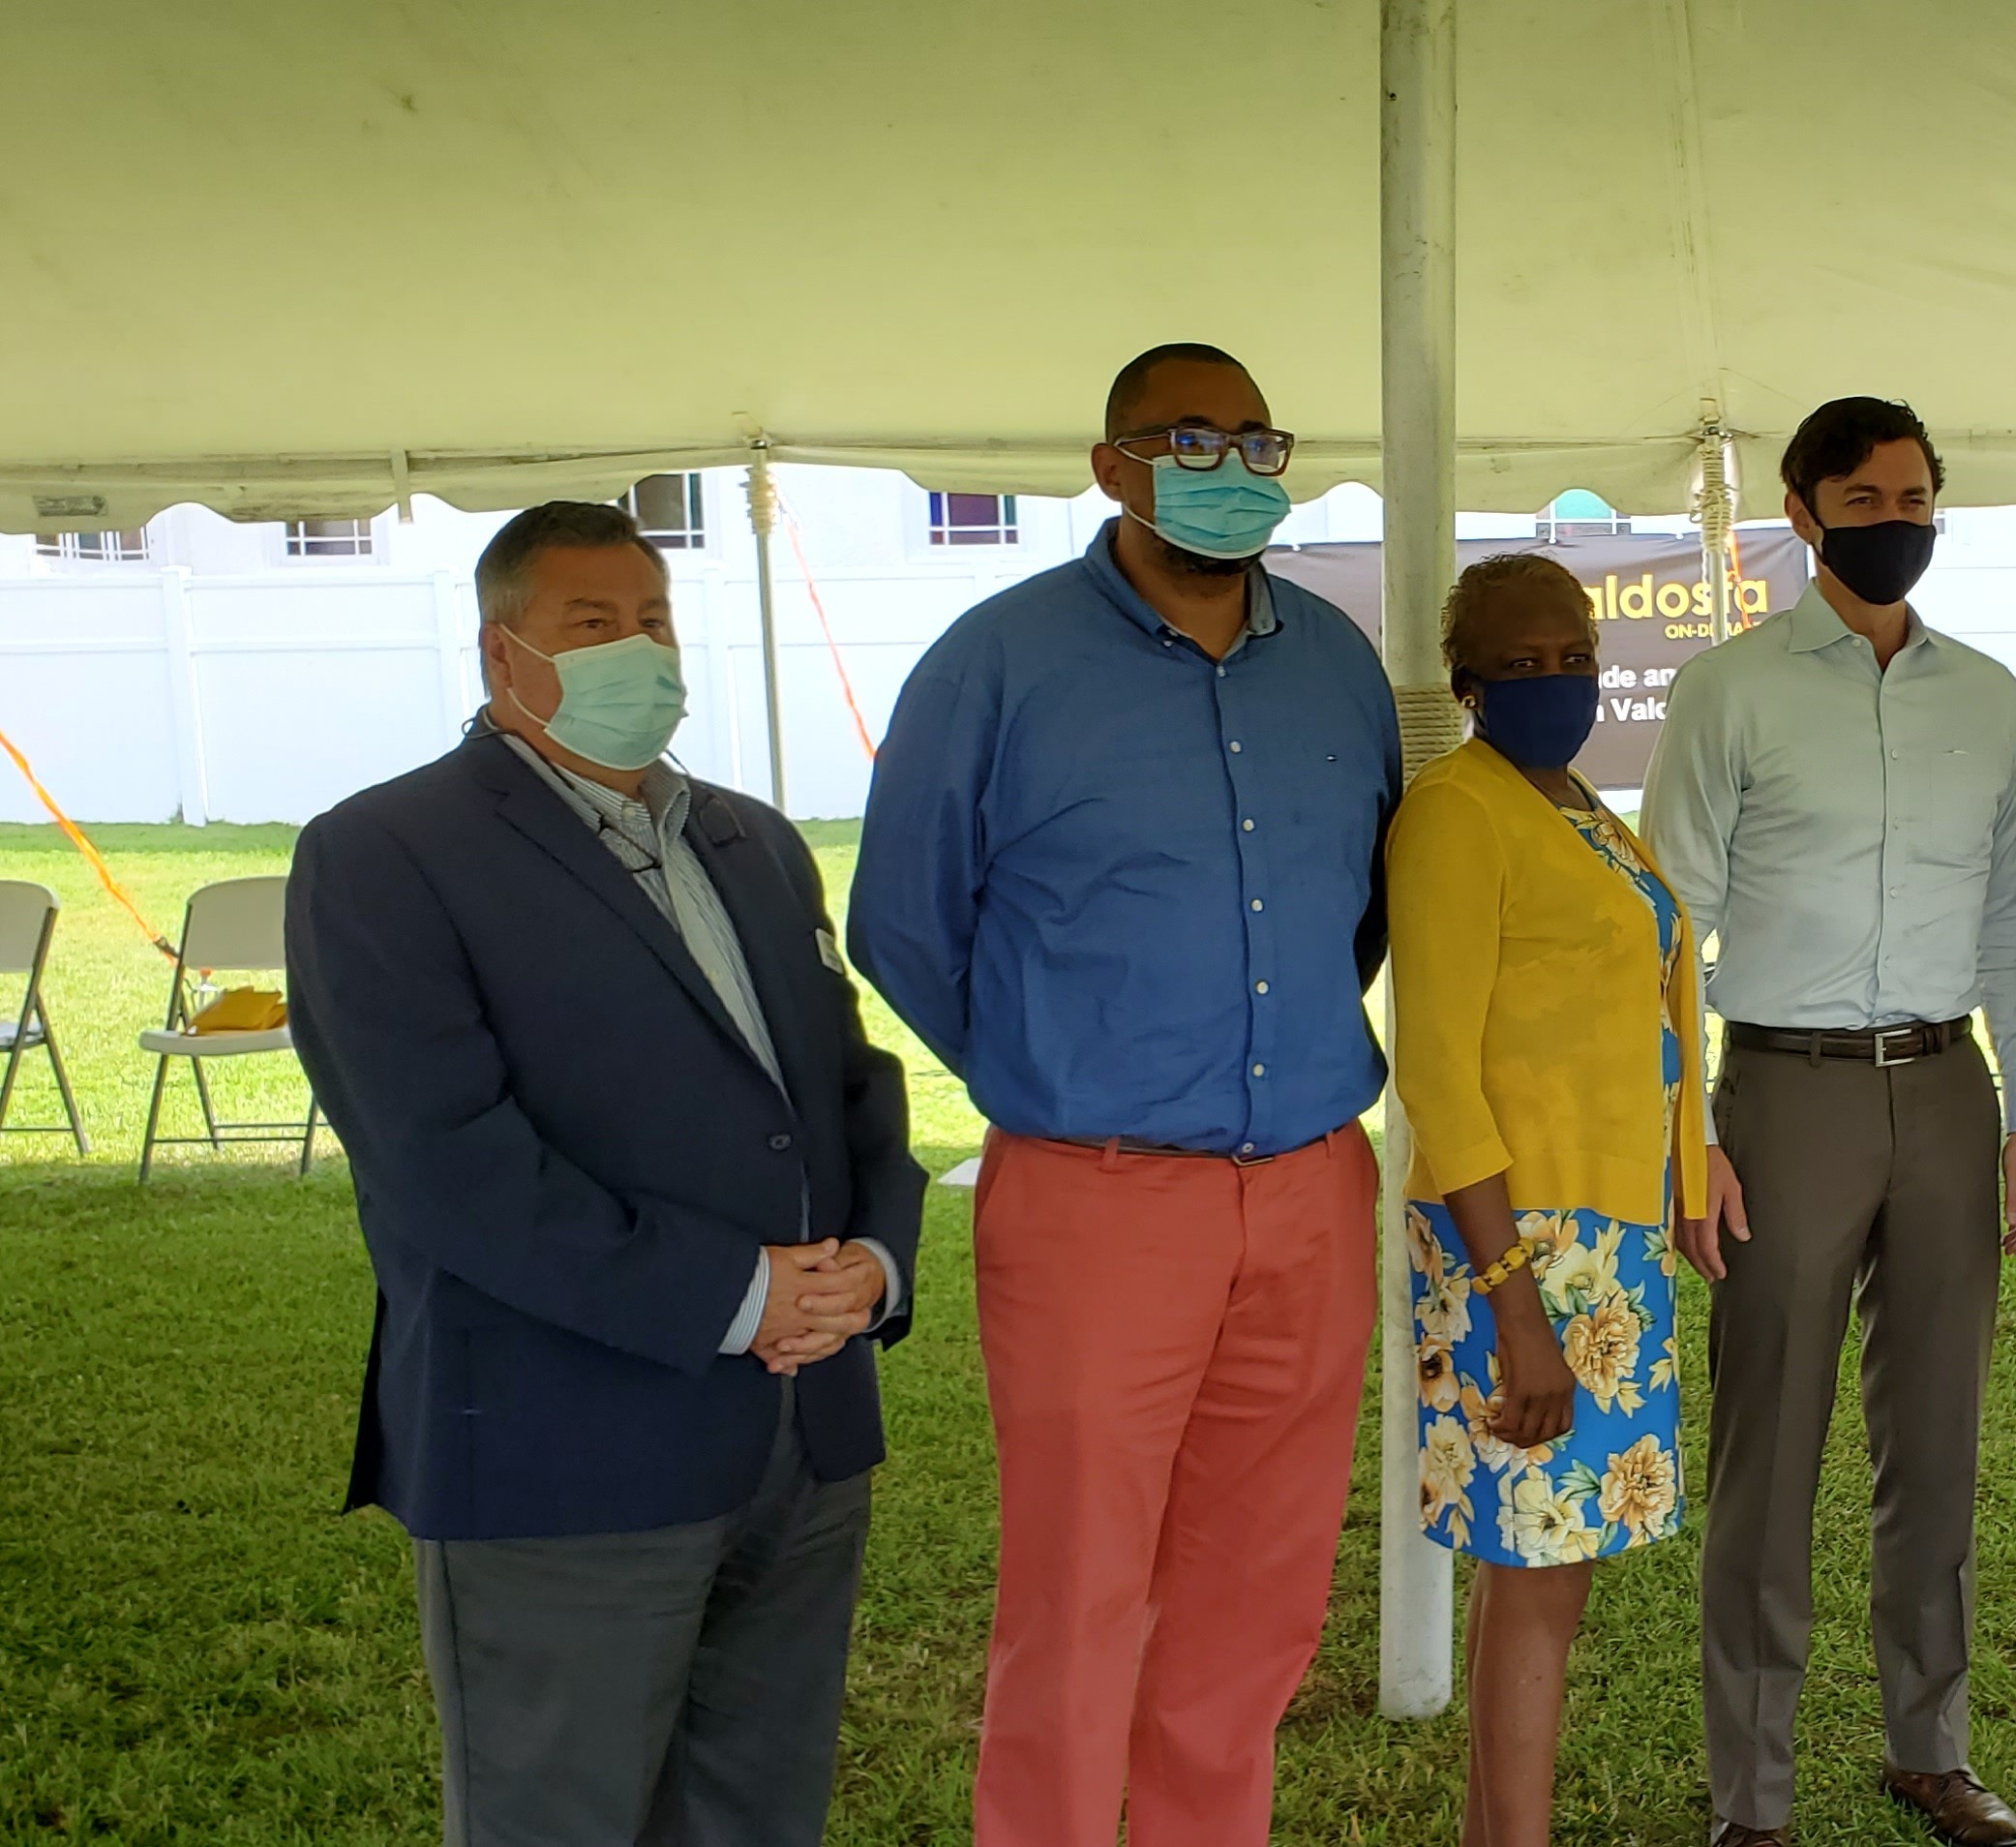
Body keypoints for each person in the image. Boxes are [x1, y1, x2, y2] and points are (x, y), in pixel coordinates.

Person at [286, 499, 921, 1847]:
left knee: (759, 1805)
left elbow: (847, 1082)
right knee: (558, 1811)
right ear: (501, 653)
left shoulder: (750, 839)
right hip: (559, 1446)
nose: (638, 651)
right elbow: (444, 1162)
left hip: (801, 1438)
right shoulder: (384, 853)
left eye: (652, 620)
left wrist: (874, 1260)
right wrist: (731, 1295)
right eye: (592, 624)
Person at [851, 343, 1402, 1845]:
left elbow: (1361, 908)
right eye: (1189, 440)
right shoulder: (999, 660)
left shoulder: (1338, 664)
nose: (1229, 469)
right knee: (1080, 1594)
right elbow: (900, 920)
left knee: (1260, 1594)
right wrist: (1057, 1058)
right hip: (1093, 1197)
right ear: (1112, 466)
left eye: (1253, 442)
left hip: (1308, 1186)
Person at [1644, 396, 2016, 1847]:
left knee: (1936, 1442)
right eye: (1866, 500)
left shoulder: (1990, 695)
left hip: (1949, 1089)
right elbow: (1668, 929)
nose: (1899, 522)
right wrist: (1681, 1136)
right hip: (1785, 1096)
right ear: (1805, 515)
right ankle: (1753, 1801)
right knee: (1772, 1451)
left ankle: (1929, 1749)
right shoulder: (1731, 690)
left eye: (1918, 496)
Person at [1388, 556, 1706, 1847]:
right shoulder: (1456, 814)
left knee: (1545, 1569)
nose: (1556, 677)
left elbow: (1640, 1002)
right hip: (1518, 1244)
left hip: (1604, 1240)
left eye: (1571, 650)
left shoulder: (1572, 802)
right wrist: (1512, 1306)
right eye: (1521, 662)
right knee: (1539, 1576)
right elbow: (1440, 1078)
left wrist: (1695, 1154)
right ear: (1466, 685)